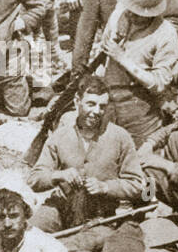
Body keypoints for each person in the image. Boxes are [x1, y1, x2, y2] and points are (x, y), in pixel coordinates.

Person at [27, 75, 146, 240]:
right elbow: (34, 179)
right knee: (28, 233)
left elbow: (137, 185)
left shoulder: (120, 136)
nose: (97, 111)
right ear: (77, 101)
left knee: (79, 244)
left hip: (100, 216)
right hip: (61, 208)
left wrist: (105, 187)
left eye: (102, 106)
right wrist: (59, 175)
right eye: (91, 104)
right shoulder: (60, 135)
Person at [97, 0, 178, 147]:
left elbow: (159, 85)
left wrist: (122, 59)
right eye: (129, 9)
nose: (130, 15)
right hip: (108, 95)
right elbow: (103, 54)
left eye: (137, 14)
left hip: (139, 104)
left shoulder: (166, 34)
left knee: (135, 156)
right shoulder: (119, 15)